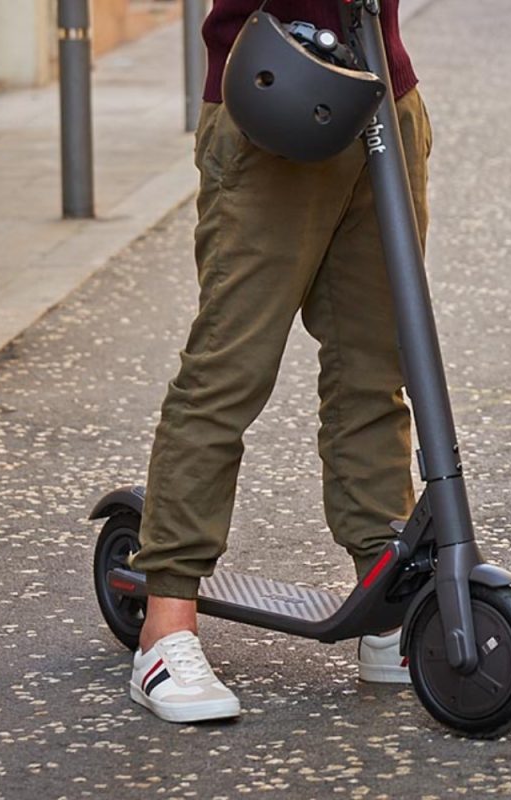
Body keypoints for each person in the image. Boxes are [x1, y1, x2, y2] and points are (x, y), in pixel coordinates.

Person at [126, 0, 431, 724]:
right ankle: (164, 627)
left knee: (374, 366)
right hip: (276, 93)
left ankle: (386, 610)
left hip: (384, 94)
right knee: (229, 370)